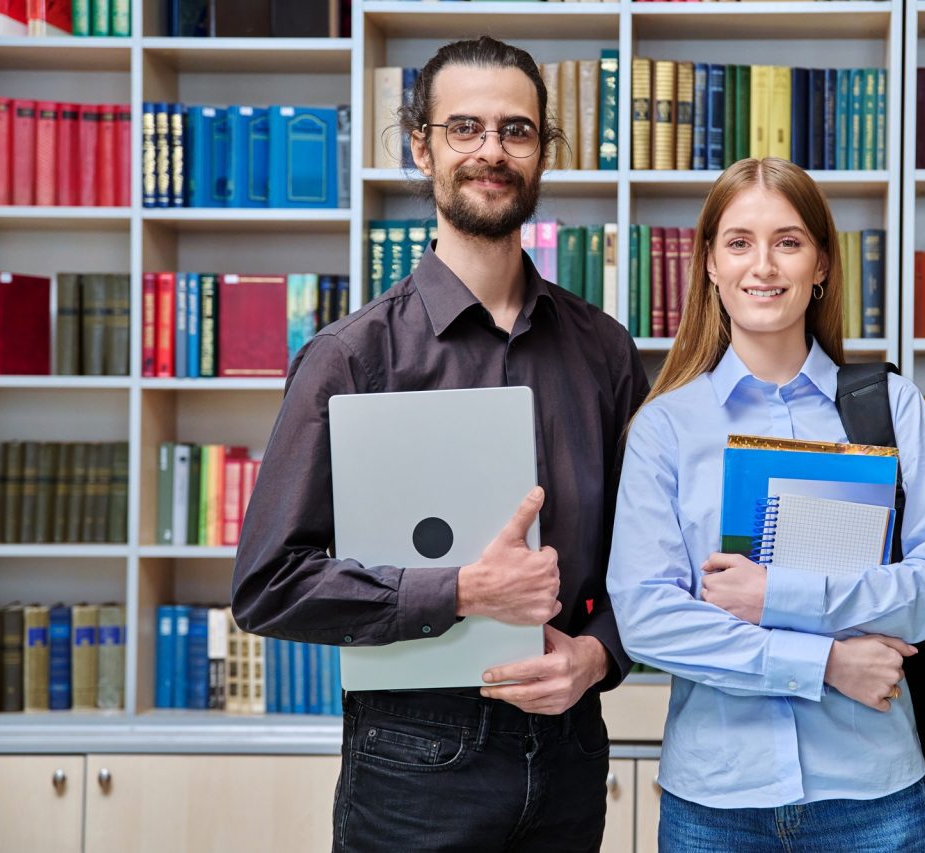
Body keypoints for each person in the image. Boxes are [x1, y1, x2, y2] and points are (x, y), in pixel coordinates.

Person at [231, 36, 649, 853]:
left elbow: (651, 556)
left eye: (516, 131)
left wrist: (599, 657)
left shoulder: (604, 350)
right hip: (415, 761)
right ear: (421, 145)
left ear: (542, 152)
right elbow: (268, 584)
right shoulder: (351, 357)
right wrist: (460, 589)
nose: (492, 152)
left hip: (569, 750)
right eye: (465, 127)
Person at [606, 157, 925, 852]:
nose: (763, 265)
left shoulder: (890, 407)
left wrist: (777, 593)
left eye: (789, 240)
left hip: (872, 796)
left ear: (823, 264)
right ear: (710, 265)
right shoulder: (665, 427)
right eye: (739, 242)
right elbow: (649, 620)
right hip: (715, 802)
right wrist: (825, 664)